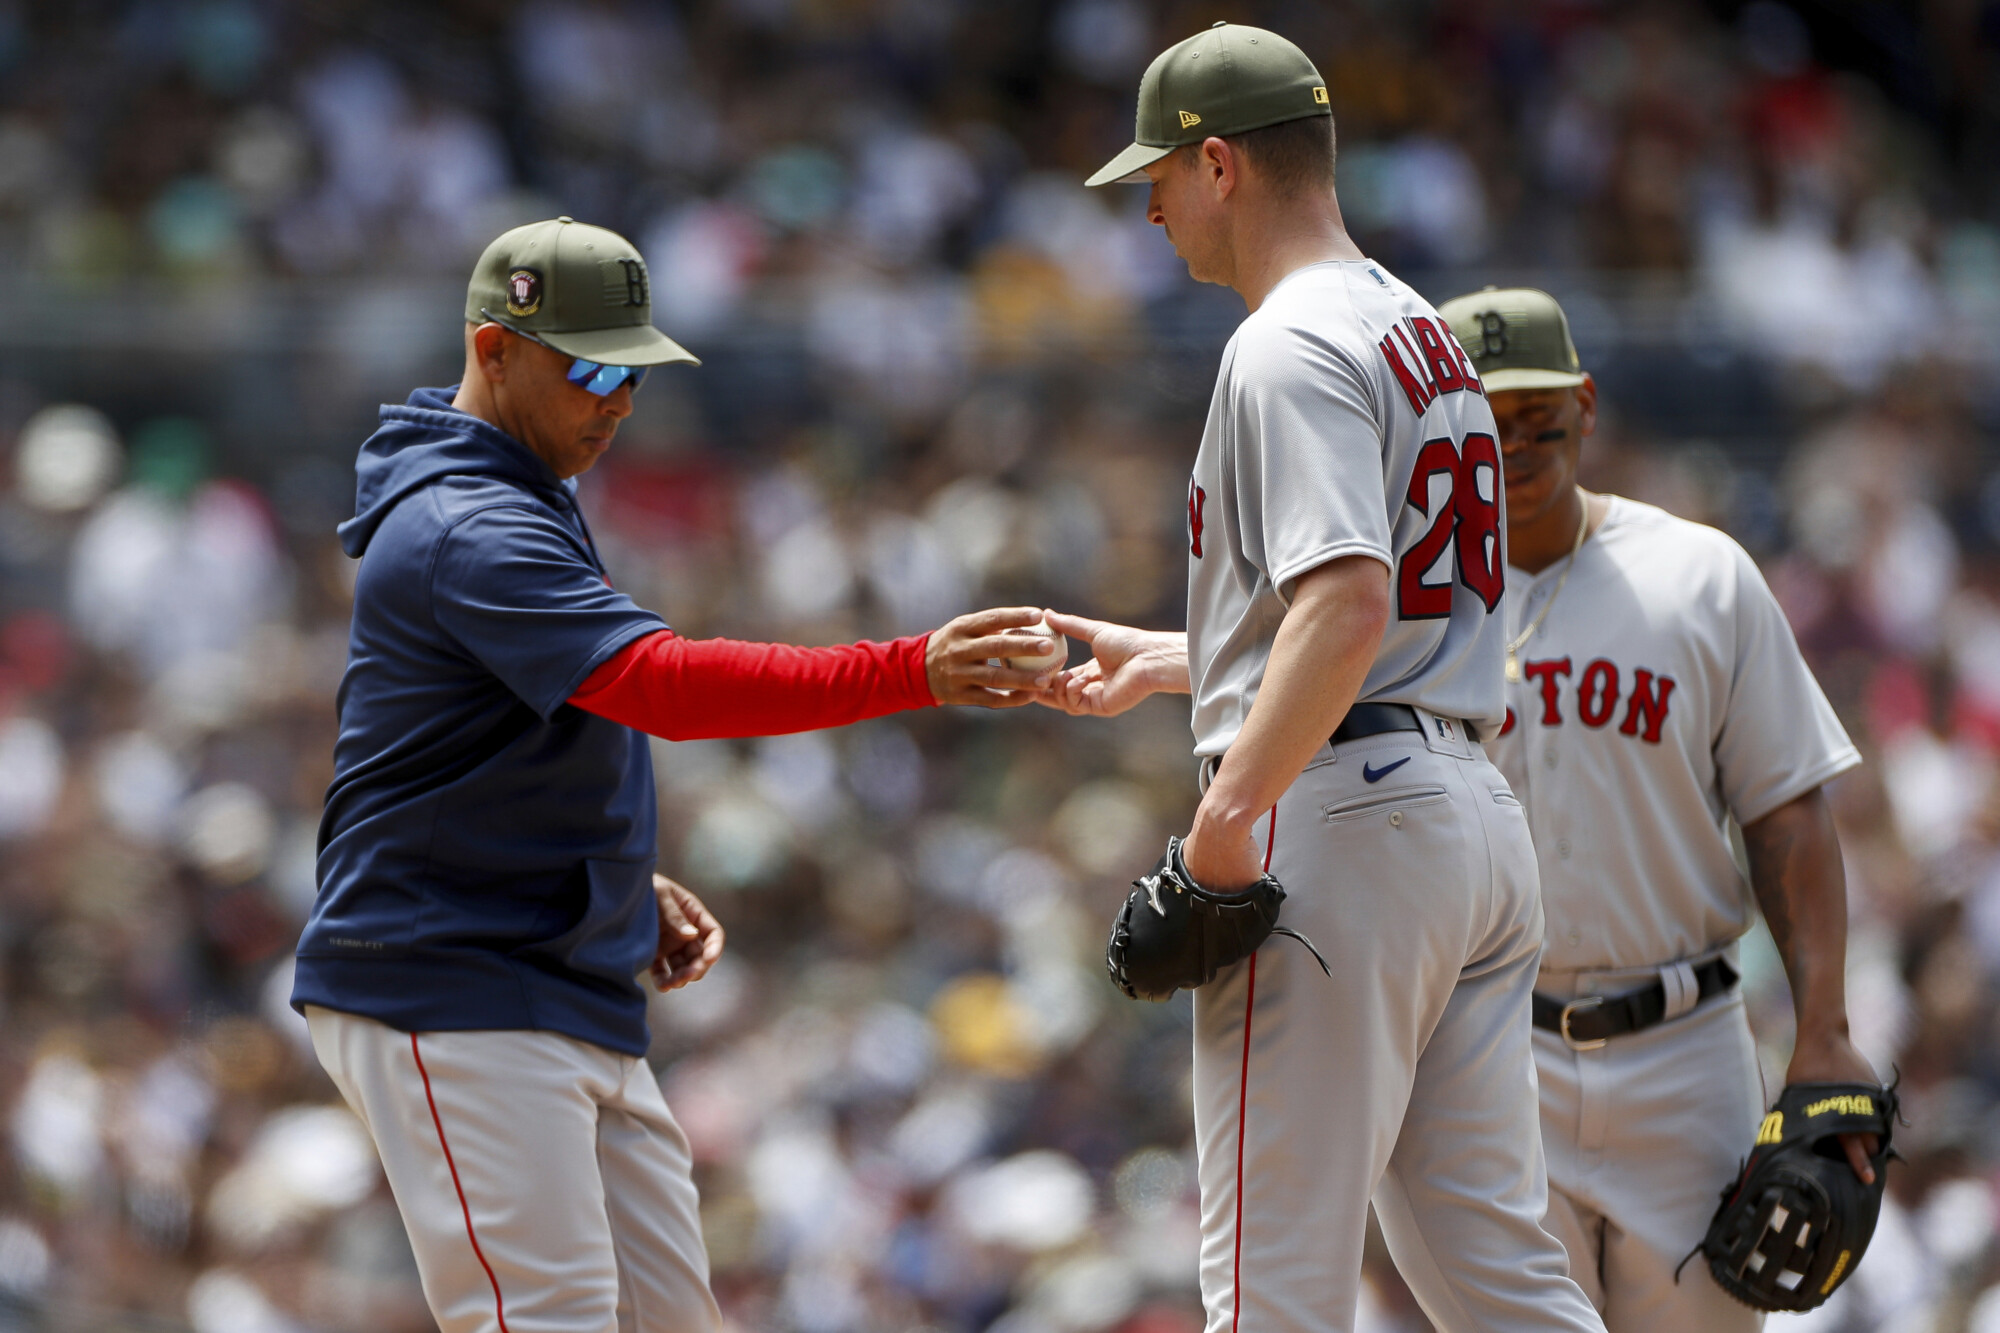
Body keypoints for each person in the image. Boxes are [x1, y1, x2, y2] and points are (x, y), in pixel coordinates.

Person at [291, 216, 1058, 1333]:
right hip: (446, 979)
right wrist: (910, 669)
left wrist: (614, 882)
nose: (618, 400)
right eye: (591, 367)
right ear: (493, 349)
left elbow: (470, 749)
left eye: (634, 371)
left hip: (546, 969)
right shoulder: (465, 519)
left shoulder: (517, 484)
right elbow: (661, 685)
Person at [1046, 25, 1603, 1333]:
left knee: (1270, 1293)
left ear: (1222, 164)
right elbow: (1414, 617)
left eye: (1161, 176)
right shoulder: (1422, 331)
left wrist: (1226, 821)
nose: (1153, 204)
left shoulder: (1284, 340)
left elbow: (1352, 606)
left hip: (1341, 823)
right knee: (1505, 1285)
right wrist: (1190, 662)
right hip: (1465, 820)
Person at [1434, 286, 1879, 1331]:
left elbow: (1786, 814)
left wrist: (1823, 1030)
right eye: (1486, 422)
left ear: (1584, 405)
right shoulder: (1401, 604)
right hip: (1486, 1051)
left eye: (1537, 414)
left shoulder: (1696, 576)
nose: (1516, 443)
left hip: (1681, 1053)